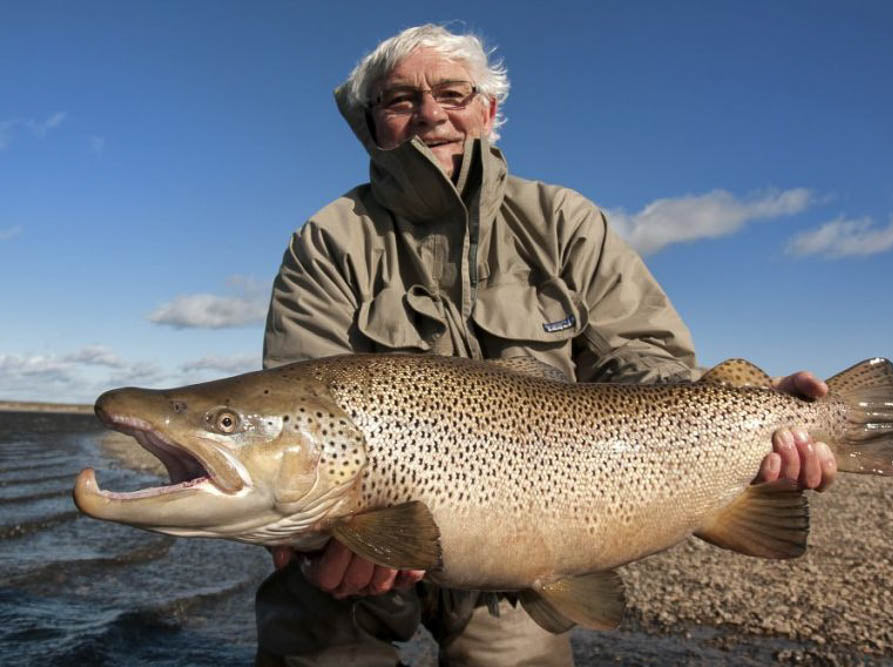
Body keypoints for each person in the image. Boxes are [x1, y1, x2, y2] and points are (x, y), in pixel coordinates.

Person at [257, 24, 837, 667]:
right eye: (400, 100)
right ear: (371, 123)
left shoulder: (564, 221)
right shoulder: (329, 240)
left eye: (451, 93)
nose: (430, 115)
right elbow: (295, 402)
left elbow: (640, 355)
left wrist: (748, 420)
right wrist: (311, 542)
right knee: (305, 625)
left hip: (530, 547)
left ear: (488, 109)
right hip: (362, 536)